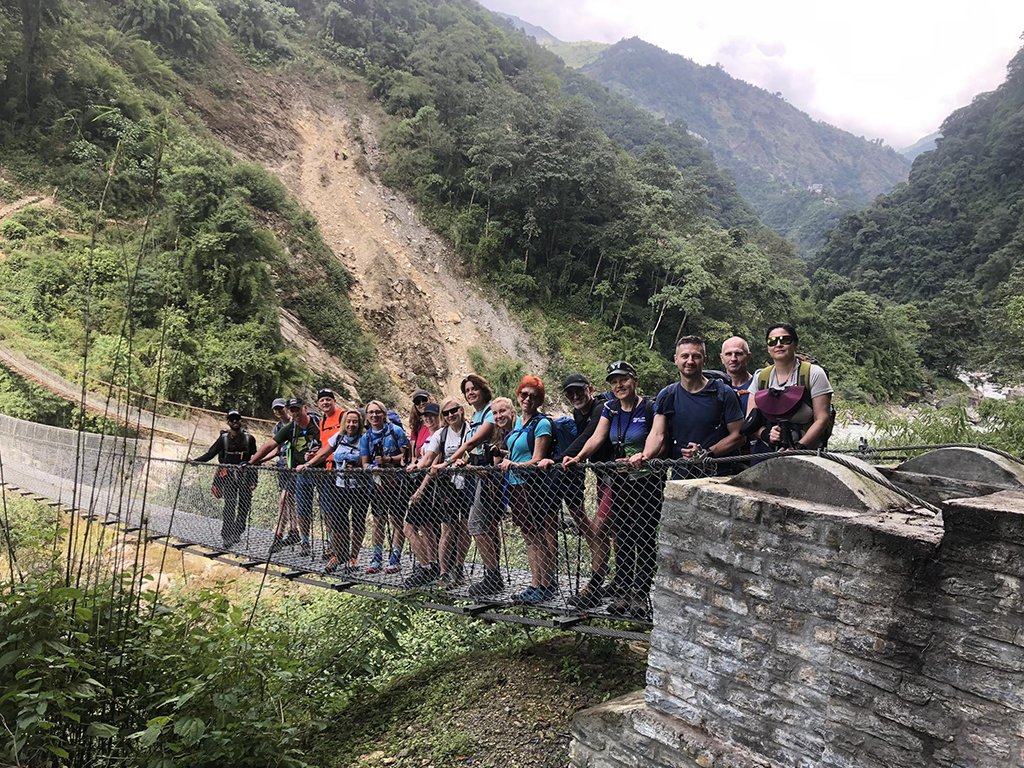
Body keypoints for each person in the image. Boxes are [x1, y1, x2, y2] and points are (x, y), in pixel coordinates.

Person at [564, 361, 661, 617]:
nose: (619, 385)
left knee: (644, 537)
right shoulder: (610, 408)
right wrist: (578, 457)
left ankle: (640, 594)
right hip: (619, 482)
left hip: (646, 481)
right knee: (624, 538)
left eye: (624, 379)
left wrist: (644, 455)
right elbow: (597, 436)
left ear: (635, 380)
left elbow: (657, 437)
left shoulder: (651, 406)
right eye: (614, 381)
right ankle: (623, 592)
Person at [632, 336, 745, 480]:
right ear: (675, 359)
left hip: (720, 477)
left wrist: (707, 453)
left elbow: (739, 436)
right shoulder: (667, 395)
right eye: (685, 356)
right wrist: (645, 456)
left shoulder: (723, 393)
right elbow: (657, 434)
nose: (690, 361)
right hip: (681, 477)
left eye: (696, 356)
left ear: (705, 359)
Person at [548, 373, 614, 609]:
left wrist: (566, 458)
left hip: (616, 477)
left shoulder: (600, 408)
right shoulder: (578, 413)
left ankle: (594, 587)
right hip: (601, 476)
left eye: (579, 391)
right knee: (612, 531)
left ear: (590, 388)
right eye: (570, 393)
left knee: (599, 527)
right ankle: (618, 581)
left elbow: (589, 436)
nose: (575, 396)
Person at [441, 375, 503, 597]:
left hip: (488, 475)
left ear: (483, 389)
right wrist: (463, 461)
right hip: (476, 472)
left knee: (477, 525)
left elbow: (473, 442)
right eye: (467, 390)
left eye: (474, 388)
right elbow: (473, 450)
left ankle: (493, 576)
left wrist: (446, 463)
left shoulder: (490, 412)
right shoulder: (476, 415)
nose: (471, 393)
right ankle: (492, 574)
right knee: (483, 525)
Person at [501, 376, 558, 604]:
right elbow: (518, 453)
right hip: (516, 486)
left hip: (531, 486)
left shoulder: (541, 424)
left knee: (537, 537)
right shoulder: (519, 423)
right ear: (518, 395)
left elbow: (537, 459)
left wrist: (513, 465)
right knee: (530, 537)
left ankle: (543, 585)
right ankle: (537, 583)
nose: (527, 399)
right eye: (524, 394)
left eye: (533, 396)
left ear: (539, 400)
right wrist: (504, 456)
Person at [249, 398, 322, 557]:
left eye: (297, 409)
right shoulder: (287, 428)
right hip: (295, 471)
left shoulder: (315, 423)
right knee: (297, 505)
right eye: (292, 410)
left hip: (318, 471)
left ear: (305, 408)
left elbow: (327, 442)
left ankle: (329, 546)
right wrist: (253, 461)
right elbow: (271, 445)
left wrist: (316, 454)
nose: (294, 413)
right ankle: (299, 539)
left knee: (325, 510)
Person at [299, 408, 368, 573]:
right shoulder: (339, 437)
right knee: (338, 522)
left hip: (360, 488)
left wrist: (357, 466)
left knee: (357, 522)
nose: (351, 424)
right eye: (349, 421)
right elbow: (323, 454)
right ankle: (339, 554)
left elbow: (368, 460)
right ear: (344, 422)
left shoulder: (365, 439)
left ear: (359, 424)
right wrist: (308, 464)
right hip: (339, 486)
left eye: (355, 421)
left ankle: (353, 557)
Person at [746, 323, 834, 450]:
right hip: (768, 451)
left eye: (785, 340)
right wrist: (766, 435)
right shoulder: (761, 377)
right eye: (772, 342)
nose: (778, 345)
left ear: (795, 344)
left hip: (807, 451)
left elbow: (822, 419)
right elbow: (750, 419)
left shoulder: (813, 374)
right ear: (768, 348)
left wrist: (798, 448)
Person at [190, 410, 258, 548]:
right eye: (232, 420)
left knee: (244, 505)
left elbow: (255, 459)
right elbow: (211, 453)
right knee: (230, 505)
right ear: (228, 422)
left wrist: (254, 479)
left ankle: (237, 532)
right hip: (228, 476)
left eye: (237, 419)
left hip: (245, 475)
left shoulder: (249, 439)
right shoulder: (224, 439)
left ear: (240, 421)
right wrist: (195, 461)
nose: (235, 422)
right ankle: (227, 535)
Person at [360, 399, 410, 574]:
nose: (374, 415)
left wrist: (388, 461)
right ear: (367, 416)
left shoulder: (395, 431)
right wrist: (374, 468)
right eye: (371, 412)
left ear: (384, 414)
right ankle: (377, 557)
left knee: (396, 520)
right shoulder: (366, 437)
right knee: (378, 521)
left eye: (377, 412)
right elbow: (364, 463)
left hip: (397, 484)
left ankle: (395, 557)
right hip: (378, 484)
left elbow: (406, 457)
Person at [268, 397, 299, 554]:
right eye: (276, 409)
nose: (278, 411)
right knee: (289, 500)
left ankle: (279, 535)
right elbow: (276, 449)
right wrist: (260, 460)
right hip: (282, 466)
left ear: (286, 408)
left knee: (284, 499)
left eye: (280, 408)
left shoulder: (295, 424)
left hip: (293, 467)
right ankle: (294, 531)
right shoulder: (277, 427)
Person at [720, 336, 754, 412]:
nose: (733, 359)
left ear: (748, 357)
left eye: (738, 354)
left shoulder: (758, 386)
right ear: (721, 358)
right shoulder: (716, 388)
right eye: (728, 354)